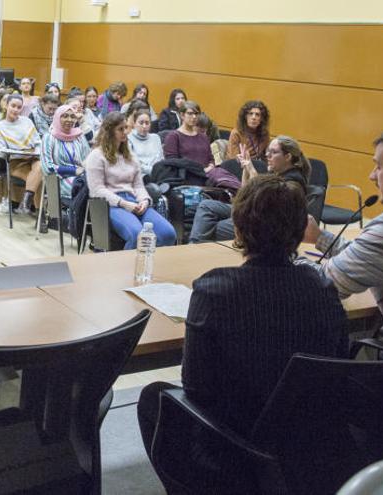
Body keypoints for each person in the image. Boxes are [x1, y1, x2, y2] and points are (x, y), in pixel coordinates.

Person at [137, 175, 348, 490]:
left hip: (232, 450)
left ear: (237, 227)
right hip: (308, 449)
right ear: (301, 231)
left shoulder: (214, 290)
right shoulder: (322, 288)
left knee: (154, 397)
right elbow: (338, 364)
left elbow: (195, 389)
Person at [302, 128, 383, 332]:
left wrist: (281, 259)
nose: (372, 176)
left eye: (379, 166)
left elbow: (326, 284)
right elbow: (368, 253)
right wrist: (319, 237)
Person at [189, 135, 311, 243]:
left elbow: (262, 197)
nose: (267, 155)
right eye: (268, 151)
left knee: (211, 227)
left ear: (287, 156)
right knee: (206, 206)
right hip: (254, 213)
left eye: (273, 152)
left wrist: (251, 169)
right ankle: (194, 247)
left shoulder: (293, 182)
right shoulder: (279, 174)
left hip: (266, 224)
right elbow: (244, 194)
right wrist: (246, 169)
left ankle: (195, 250)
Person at [86, 112, 176, 248]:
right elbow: (97, 190)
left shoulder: (130, 155)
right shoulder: (96, 155)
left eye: (126, 128)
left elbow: (139, 185)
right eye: (120, 129)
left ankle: (151, 265)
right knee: (137, 235)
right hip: (111, 204)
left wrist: (145, 200)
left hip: (135, 201)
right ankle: (127, 268)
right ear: (110, 131)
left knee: (168, 233)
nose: (125, 132)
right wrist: (124, 204)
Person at [0, 95, 44, 214]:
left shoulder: (27, 121)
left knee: (40, 166)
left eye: (19, 107)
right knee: (38, 179)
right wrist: (22, 152)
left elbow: (38, 143)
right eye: (13, 106)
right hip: (14, 162)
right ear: (6, 106)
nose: (16, 109)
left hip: (33, 158)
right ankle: (40, 216)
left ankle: (26, 202)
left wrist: (34, 152)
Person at [41, 105, 90, 200]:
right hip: (58, 180)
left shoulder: (79, 136)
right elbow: (47, 167)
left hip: (81, 177)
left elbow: (88, 160)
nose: (69, 120)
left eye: (72, 117)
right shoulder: (49, 137)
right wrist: (74, 170)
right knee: (85, 189)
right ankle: (78, 214)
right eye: (65, 116)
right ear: (57, 118)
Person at [163, 101, 214, 169]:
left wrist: (210, 167)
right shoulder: (173, 136)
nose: (194, 116)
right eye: (190, 113)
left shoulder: (204, 137)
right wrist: (200, 171)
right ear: (182, 115)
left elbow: (211, 159)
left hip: (209, 173)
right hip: (188, 175)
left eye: (196, 113)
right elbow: (172, 163)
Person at [127, 109, 164, 177]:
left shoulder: (156, 138)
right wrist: (153, 171)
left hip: (158, 174)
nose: (144, 126)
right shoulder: (128, 139)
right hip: (139, 176)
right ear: (134, 124)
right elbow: (133, 163)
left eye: (147, 123)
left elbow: (160, 159)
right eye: (141, 123)